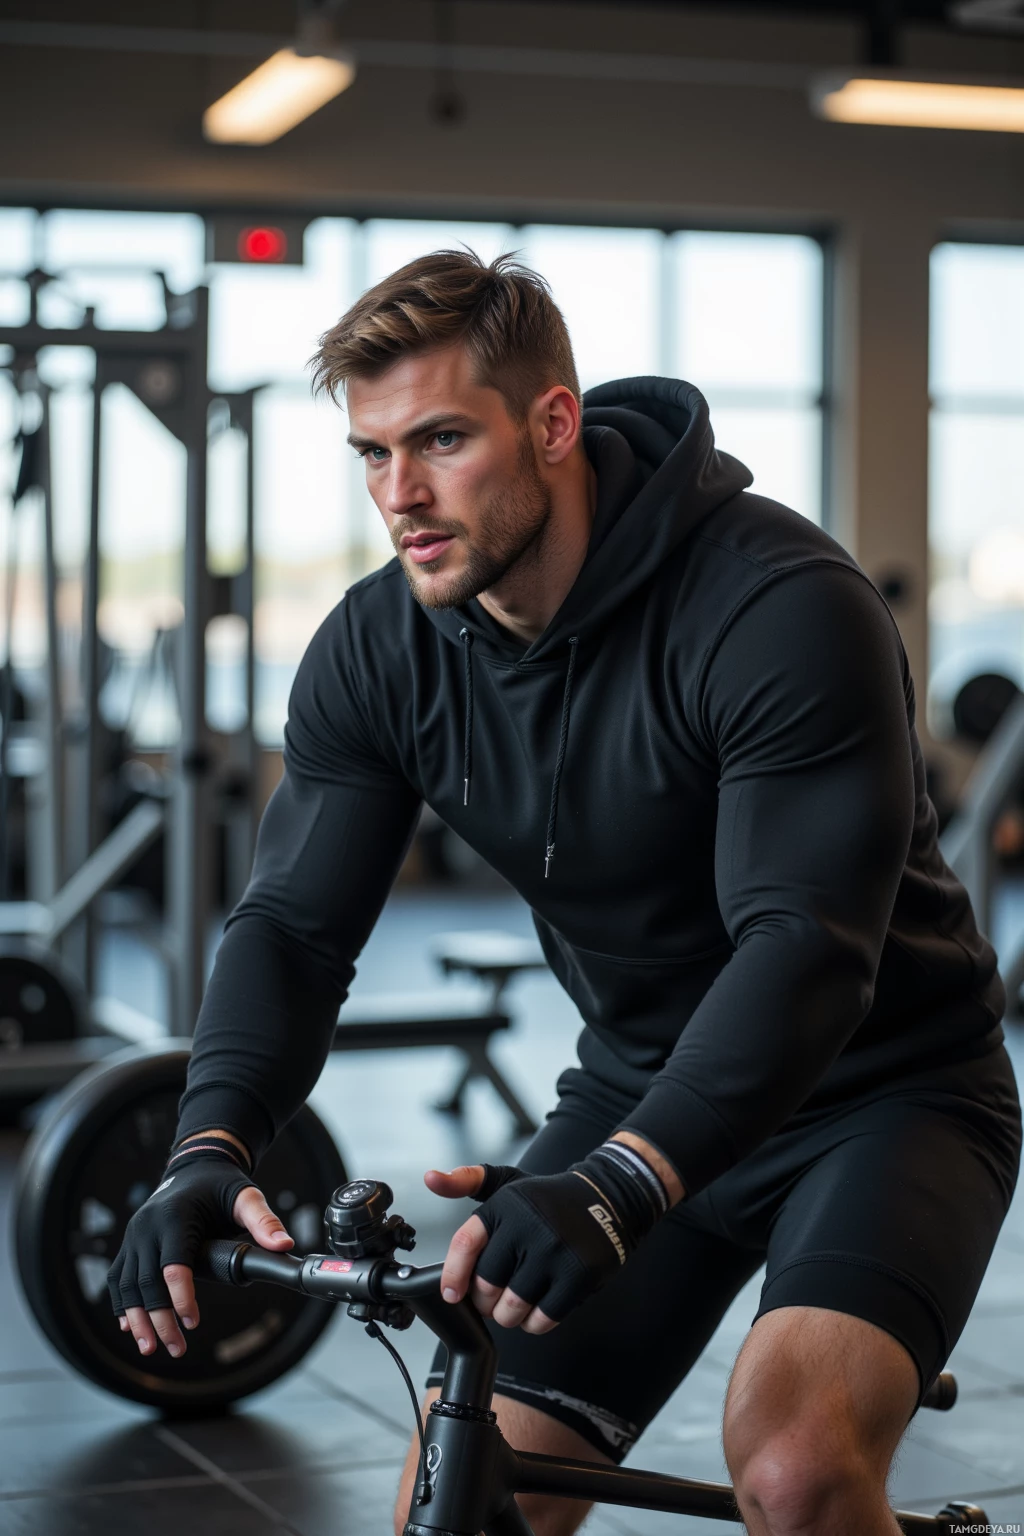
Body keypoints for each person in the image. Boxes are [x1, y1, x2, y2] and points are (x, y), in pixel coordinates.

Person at [108, 250, 1021, 1536]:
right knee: (468, 1483)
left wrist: (619, 1184)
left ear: (551, 424)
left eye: (438, 440)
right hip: (640, 1090)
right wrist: (204, 1146)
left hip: (885, 1097)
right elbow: (293, 928)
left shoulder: (778, 606)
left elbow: (803, 947)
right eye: (371, 455)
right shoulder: (380, 647)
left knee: (794, 1469)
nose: (401, 495)